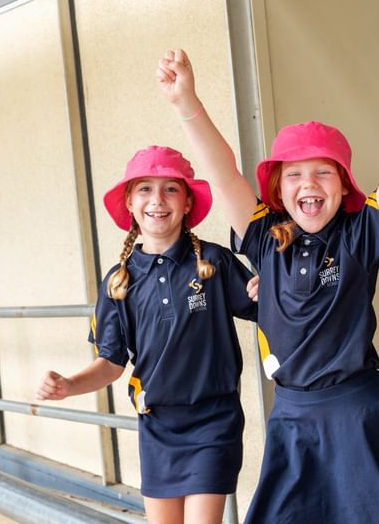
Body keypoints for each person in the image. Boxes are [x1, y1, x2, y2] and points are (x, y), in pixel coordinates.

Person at [157, 28, 379, 523]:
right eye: (295, 174)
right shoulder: (263, 236)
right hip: (292, 414)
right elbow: (223, 174)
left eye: (323, 172)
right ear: (278, 190)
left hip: (356, 411)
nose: (309, 183)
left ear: (343, 184)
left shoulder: (361, 233)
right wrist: (186, 102)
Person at [36, 146, 257, 524]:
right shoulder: (118, 283)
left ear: (187, 202)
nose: (158, 200)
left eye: (171, 189)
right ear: (130, 203)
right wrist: (69, 385)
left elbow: (268, 311)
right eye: (145, 189)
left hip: (212, 421)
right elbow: (110, 364)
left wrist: (271, 288)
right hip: (157, 426)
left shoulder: (213, 263)